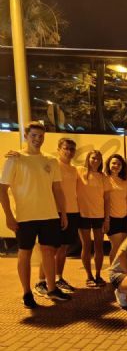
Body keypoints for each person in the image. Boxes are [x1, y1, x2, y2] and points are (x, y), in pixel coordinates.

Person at [0, 121, 70, 307]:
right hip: (25, 216)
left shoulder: (50, 160)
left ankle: (52, 289)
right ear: (26, 136)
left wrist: (63, 212)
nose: (37, 139)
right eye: (34, 136)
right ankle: (26, 293)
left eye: (41, 136)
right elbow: (2, 190)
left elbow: (57, 189)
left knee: (49, 252)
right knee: (25, 254)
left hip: (49, 215)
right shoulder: (15, 158)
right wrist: (8, 216)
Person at [31, 138, 80, 296]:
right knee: (50, 249)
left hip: (72, 212)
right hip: (56, 212)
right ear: (59, 149)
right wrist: (17, 155)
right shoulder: (53, 164)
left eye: (72, 149)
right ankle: (41, 281)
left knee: (63, 248)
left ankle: (58, 278)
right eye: (66, 148)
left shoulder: (73, 170)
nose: (69, 151)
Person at [77, 149, 109, 287]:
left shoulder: (103, 177)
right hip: (83, 215)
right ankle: (89, 276)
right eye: (93, 158)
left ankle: (98, 275)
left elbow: (107, 199)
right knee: (86, 245)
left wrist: (107, 218)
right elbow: (60, 165)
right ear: (88, 159)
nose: (95, 161)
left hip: (99, 216)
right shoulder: (79, 171)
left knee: (99, 247)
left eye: (98, 159)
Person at [104, 154, 127, 263]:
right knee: (116, 246)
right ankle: (113, 271)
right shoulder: (105, 179)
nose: (116, 165)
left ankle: (120, 270)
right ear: (108, 164)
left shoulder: (125, 182)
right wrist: (106, 220)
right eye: (114, 163)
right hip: (111, 218)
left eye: (119, 164)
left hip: (124, 218)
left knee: (123, 247)